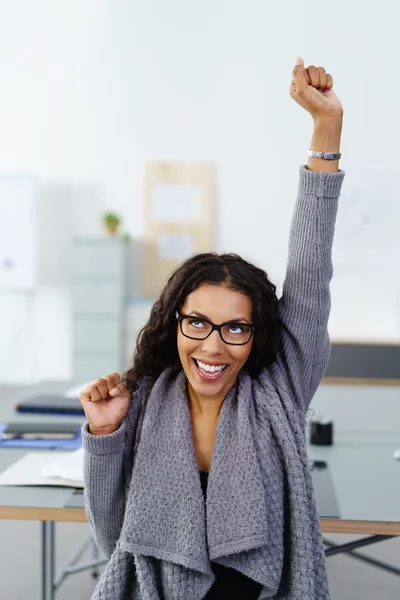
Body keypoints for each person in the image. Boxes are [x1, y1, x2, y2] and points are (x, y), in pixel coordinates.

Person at [80, 57, 345, 600]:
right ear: (175, 321)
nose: (213, 346)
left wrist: (326, 129)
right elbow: (113, 540)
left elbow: (310, 269)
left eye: (235, 329)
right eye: (198, 322)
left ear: (257, 334)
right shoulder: (147, 400)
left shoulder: (279, 391)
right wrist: (105, 436)